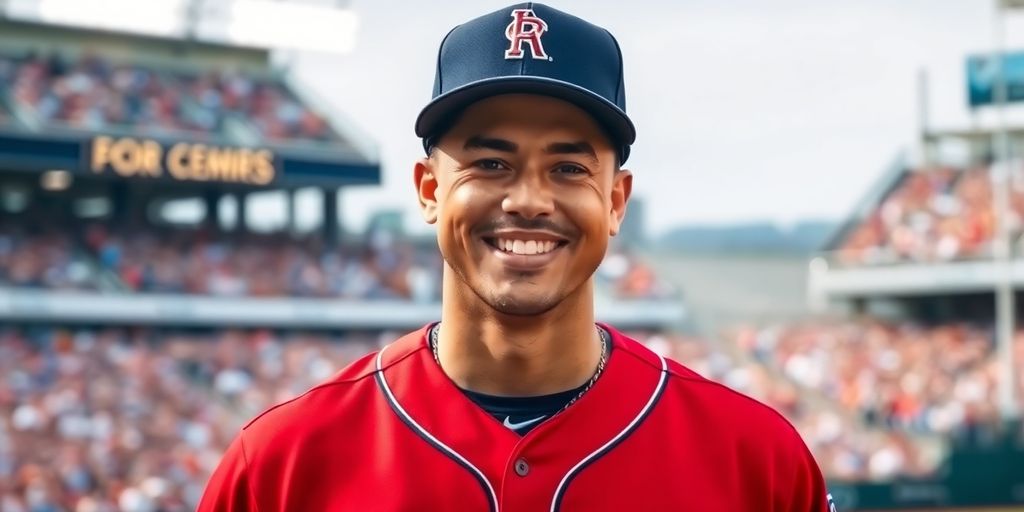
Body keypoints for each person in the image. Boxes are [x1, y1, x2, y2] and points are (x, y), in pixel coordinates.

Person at [198, 3, 834, 511]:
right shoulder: (281, 465)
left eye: (567, 167)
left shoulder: (756, 461)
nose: (528, 199)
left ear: (615, 201)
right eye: (491, 163)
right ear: (428, 190)